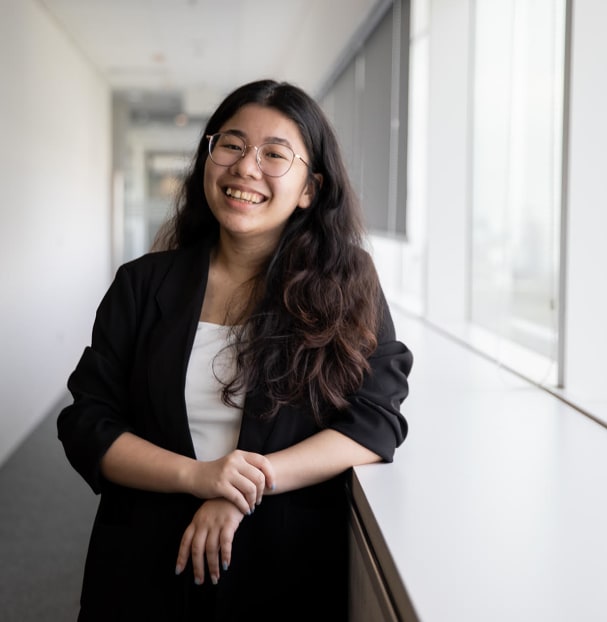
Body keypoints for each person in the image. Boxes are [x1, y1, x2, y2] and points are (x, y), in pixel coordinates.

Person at [57, 79, 413, 621]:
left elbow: (375, 421)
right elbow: (88, 423)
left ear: (310, 188)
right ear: (208, 156)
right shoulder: (142, 283)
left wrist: (243, 485)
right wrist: (198, 477)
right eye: (231, 145)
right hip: (145, 563)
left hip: (281, 568)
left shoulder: (349, 285)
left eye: (275, 154)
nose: (247, 167)